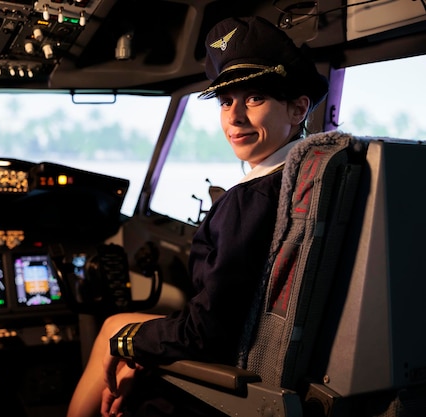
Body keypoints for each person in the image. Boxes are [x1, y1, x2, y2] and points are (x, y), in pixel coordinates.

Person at [67, 15, 329, 417]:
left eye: (254, 98)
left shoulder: (249, 200)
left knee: (112, 330)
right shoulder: (305, 185)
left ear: (298, 109)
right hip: (264, 349)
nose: (235, 117)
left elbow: (204, 332)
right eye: (226, 101)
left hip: (235, 362)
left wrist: (129, 344)